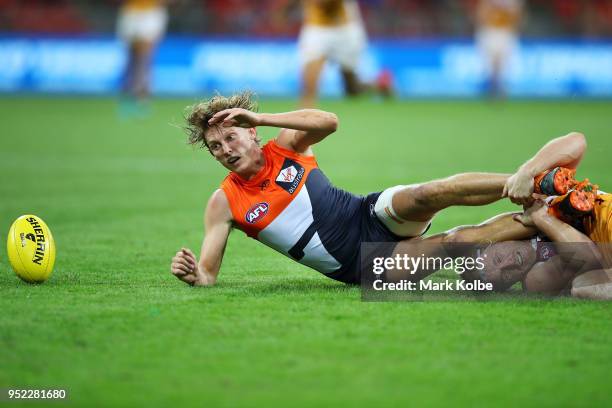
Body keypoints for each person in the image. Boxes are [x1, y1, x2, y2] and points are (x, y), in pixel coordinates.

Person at [170, 91, 532, 287]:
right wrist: (195, 274)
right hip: (366, 267)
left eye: (230, 137)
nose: (225, 150)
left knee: (430, 192)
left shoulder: (285, 147)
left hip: (368, 213)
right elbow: (208, 274)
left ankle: (533, 184)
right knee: (463, 239)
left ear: (251, 132)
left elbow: (330, 121)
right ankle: (548, 215)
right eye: (215, 147)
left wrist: (263, 117)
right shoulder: (224, 202)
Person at [297, 0, 392, 107]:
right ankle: (304, 118)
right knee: (309, 88)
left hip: (345, 30)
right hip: (316, 30)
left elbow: (325, 4)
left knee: (352, 89)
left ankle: (382, 86)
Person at [116, 0, 169, 113]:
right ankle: (129, 93)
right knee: (131, 58)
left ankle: (141, 95)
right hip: (131, 12)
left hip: (151, 13)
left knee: (145, 57)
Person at [475, 0, 523, 97]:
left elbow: (518, 17)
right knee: (490, 62)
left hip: (506, 31)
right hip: (490, 31)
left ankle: (499, 87)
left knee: (503, 63)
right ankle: (492, 87)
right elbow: (481, 15)